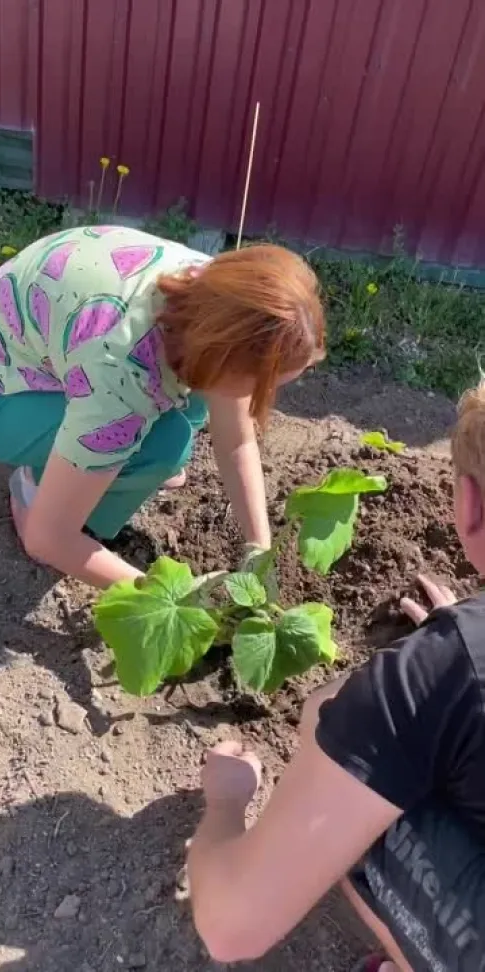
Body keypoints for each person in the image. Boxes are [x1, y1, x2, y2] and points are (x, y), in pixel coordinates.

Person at [188, 381, 485, 972]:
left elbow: (231, 930)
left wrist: (224, 806)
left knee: (337, 724)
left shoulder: (442, 669)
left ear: (471, 504)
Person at [0, 226, 324, 587]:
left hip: (21, 336)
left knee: (188, 412)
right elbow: (48, 539)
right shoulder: (120, 375)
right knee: (162, 447)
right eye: (261, 385)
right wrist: (172, 598)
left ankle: (101, 469)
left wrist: (259, 547)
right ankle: (33, 491)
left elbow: (236, 440)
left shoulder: (215, 291)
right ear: (219, 358)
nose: (267, 394)